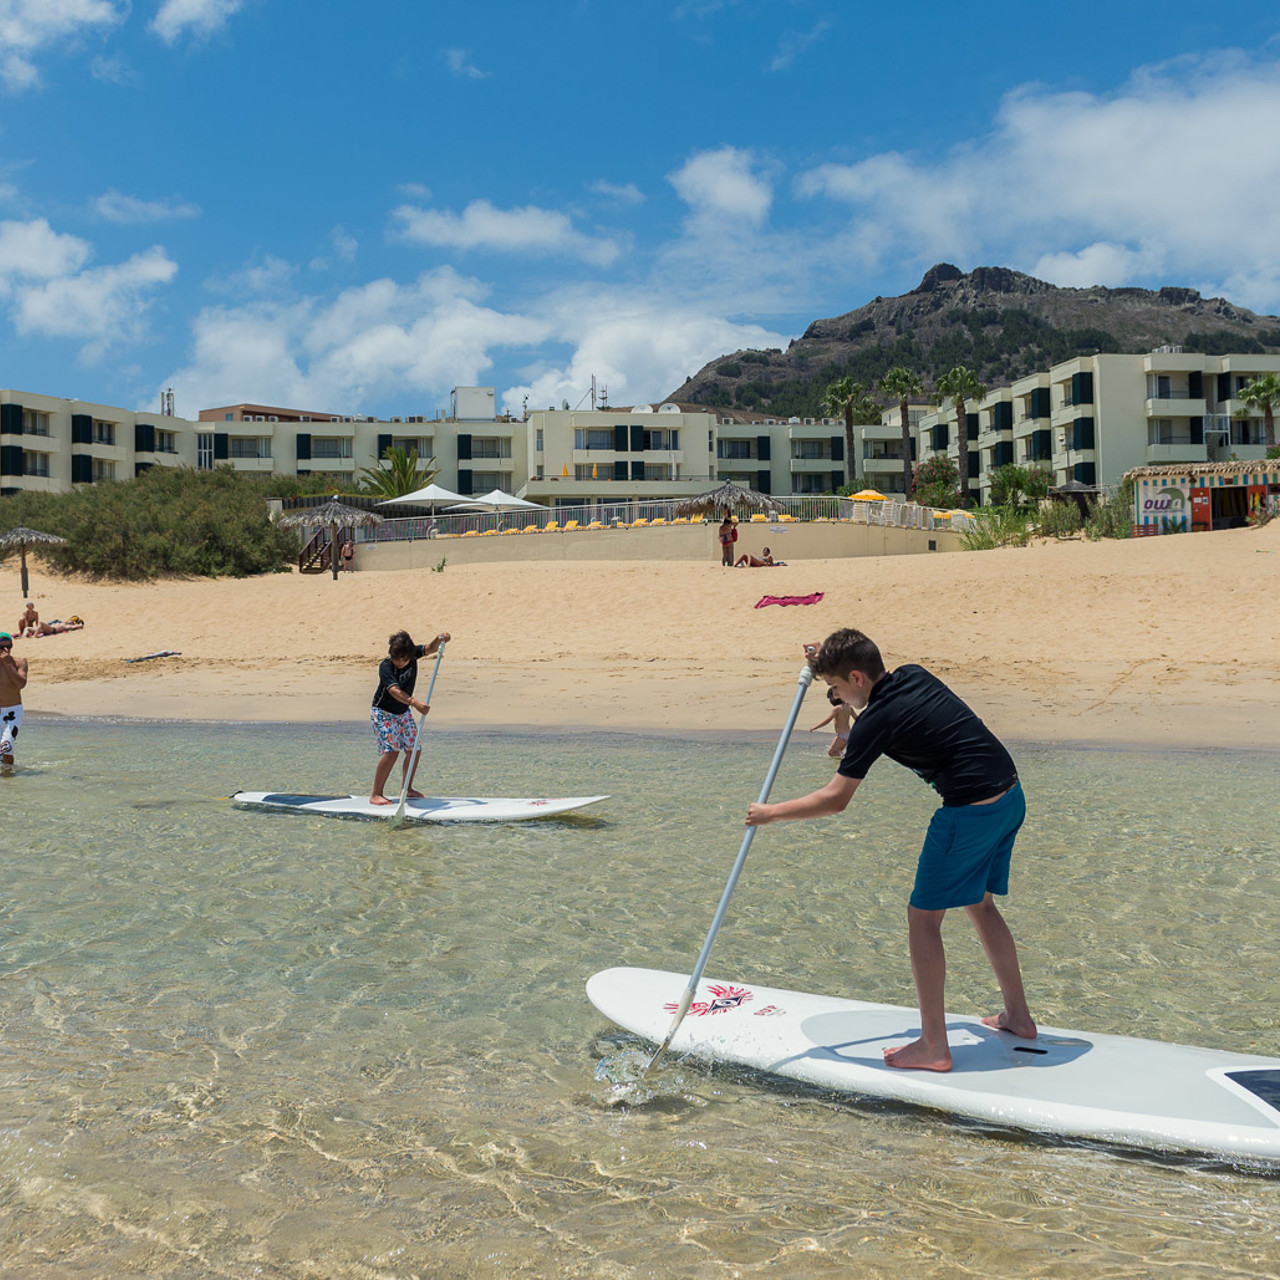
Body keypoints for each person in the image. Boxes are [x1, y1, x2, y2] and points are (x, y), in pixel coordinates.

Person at [746, 628, 1035, 1072]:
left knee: (922, 919)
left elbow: (836, 799)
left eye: (835, 689)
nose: (835, 697)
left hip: (970, 812)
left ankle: (934, 1046)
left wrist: (771, 814)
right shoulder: (912, 676)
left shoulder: (877, 721)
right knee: (979, 904)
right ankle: (1018, 1017)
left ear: (857, 677)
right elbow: (866, 696)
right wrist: (828, 663)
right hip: (1010, 797)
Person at [369, 628, 450, 805]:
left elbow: (429, 648)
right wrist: (414, 703)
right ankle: (376, 794)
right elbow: (394, 691)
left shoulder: (413, 654)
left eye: (403, 660)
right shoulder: (386, 666)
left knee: (414, 749)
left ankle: (407, 788)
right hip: (383, 713)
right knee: (391, 752)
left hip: (402, 712)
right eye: (396, 660)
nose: (400, 663)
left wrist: (439, 639)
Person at [0, 631, 28, 774]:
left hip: (13, 711)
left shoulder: (19, 662)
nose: (6, 650)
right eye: (2, 647)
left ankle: (7, 775)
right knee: (5, 751)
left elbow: (21, 684)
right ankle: (7, 775)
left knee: (6, 745)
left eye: (9, 646)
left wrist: (8, 666)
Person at [809, 684, 854, 758]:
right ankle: (841, 763)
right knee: (837, 752)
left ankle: (845, 761)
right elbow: (857, 718)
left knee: (831, 752)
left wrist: (815, 727)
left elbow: (827, 720)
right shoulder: (848, 707)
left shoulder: (837, 709)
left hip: (841, 735)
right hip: (848, 734)